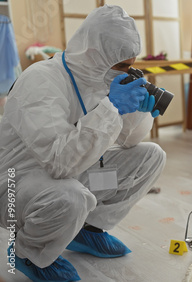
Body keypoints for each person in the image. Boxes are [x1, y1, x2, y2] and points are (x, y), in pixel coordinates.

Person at [0, 5, 166, 281]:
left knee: (151, 156)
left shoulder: (100, 79)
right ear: (94, 54)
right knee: (71, 196)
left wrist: (138, 111)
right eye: (122, 65)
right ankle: (28, 252)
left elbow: (129, 142)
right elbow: (60, 163)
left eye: (131, 64)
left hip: (69, 174)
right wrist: (111, 108)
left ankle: (88, 229)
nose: (127, 72)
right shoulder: (41, 81)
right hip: (17, 184)